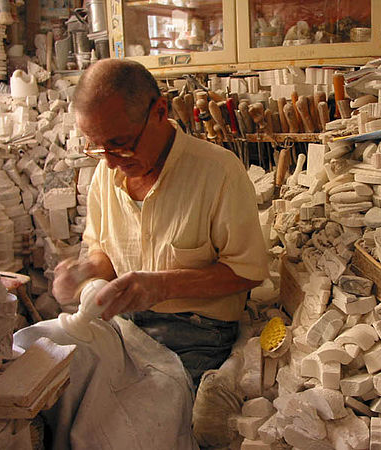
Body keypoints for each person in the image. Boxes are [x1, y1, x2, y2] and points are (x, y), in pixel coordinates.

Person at [53, 59, 270, 386]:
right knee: (66, 385)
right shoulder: (106, 172)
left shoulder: (219, 171)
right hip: (126, 325)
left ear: (159, 111)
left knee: (150, 411)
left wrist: (162, 286)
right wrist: (88, 270)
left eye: (121, 144)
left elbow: (247, 272)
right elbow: (103, 250)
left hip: (197, 331)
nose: (111, 161)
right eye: (98, 148)